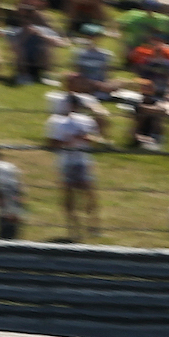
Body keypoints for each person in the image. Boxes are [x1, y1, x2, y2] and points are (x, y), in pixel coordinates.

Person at [46, 97, 102, 242]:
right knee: (69, 196)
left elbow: (96, 140)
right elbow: (51, 144)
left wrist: (85, 138)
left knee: (90, 194)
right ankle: (73, 228)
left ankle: (94, 225)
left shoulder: (87, 121)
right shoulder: (57, 122)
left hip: (83, 161)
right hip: (66, 162)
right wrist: (66, 141)